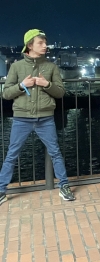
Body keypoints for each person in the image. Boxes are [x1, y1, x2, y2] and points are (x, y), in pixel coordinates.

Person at [0, 29, 75, 206]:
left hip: (46, 118)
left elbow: (60, 92)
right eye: (41, 43)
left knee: (55, 152)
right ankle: (1, 190)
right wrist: (21, 85)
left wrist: (46, 84)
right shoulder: (17, 67)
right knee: (12, 154)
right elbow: (6, 93)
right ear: (30, 45)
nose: (45, 46)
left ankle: (64, 186)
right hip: (21, 119)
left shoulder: (51, 67)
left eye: (45, 43)